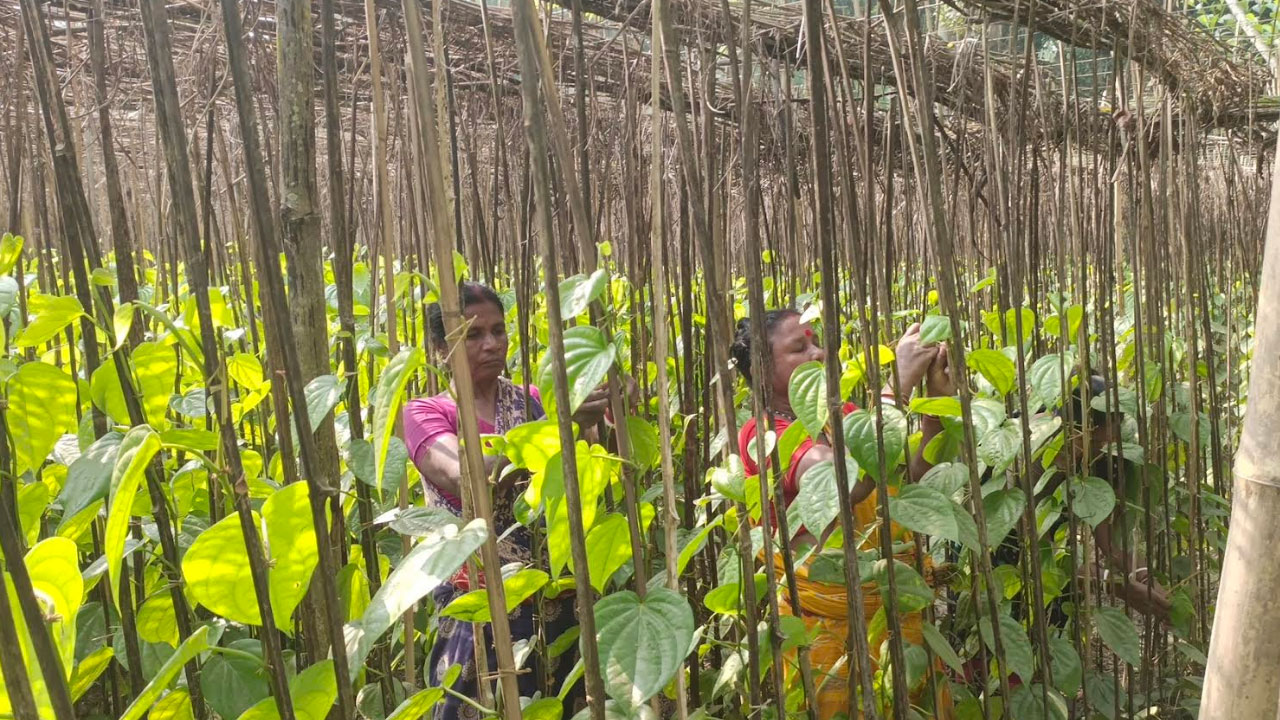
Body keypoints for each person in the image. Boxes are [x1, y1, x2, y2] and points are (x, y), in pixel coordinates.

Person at [730, 310, 955, 719]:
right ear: (762, 372)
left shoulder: (845, 417)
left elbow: (914, 475)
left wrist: (937, 405)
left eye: (816, 342)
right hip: (824, 628)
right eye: (799, 348)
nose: (818, 354)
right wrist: (895, 389)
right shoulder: (762, 436)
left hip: (893, 613)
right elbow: (845, 483)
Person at [403, 281, 605, 718]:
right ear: (440, 347)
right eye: (473, 335)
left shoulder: (534, 400)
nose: (491, 344)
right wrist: (557, 428)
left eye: (498, 330)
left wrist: (598, 415)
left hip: (555, 599)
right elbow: (461, 477)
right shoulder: (426, 413)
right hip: (478, 605)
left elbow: (584, 468)